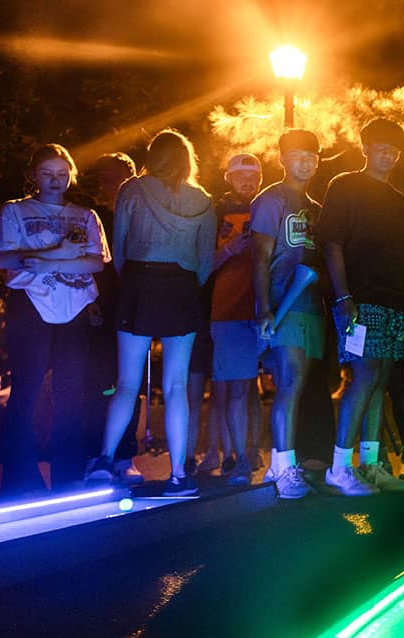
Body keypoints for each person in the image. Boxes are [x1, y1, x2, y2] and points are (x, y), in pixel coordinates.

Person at [85, 129, 216, 497]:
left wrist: (136, 279)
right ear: (187, 160)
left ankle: (105, 462)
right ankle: (178, 476)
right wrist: (184, 280)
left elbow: (120, 248)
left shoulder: (132, 190)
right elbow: (205, 262)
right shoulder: (203, 200)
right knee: (176, 386)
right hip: (183, 288)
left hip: (139, 284)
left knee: (126, 382)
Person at [0, 144, 110, 497]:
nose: (55, 180)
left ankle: (68, 476)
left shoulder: (85, 215)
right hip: (29, 306)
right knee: (25, 393)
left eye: (62, 173)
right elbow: (5, 258)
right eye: (47, 173)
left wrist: (45, 262)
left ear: (71, 174)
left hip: (73, 309)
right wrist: (56, 255)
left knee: (71, 395)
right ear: (34, 175)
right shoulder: (15, 211)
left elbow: (94, 262)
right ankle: (20, 480)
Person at [318, 118, 404, 495]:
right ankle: (340, 468)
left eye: (394, 148)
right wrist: (343, 298)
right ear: (365, 148)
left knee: (380, 380)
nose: (388, 154)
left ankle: (371, 464)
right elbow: (332, 244)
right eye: (381, 146)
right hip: (358, 300)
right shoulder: (344, 186)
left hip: (394, 303)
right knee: (363, 376)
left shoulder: (398, 200)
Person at [250, 131, 326, 499]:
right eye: (298, 155)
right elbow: (260, 257)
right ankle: (283, 467)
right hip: (283, 303)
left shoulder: (314, 205)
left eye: (312, 155)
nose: (306, 161)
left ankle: (281, 463)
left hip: (311, 306)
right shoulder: (271, 200)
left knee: (299, 386)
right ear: (282, 159)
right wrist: (264, 308)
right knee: (290, 382)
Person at [82, 152, 143, 486]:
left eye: (115, 176)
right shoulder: (95, 218)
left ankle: (124, 457)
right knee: (98, 386)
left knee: (130, 385)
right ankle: (96, 455)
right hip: (102, 311)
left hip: (134, 310)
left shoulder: (140, 218)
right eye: (104, 176)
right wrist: (90, 301)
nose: (109, 183)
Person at [208, 153, 264, 485]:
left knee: (257, 389)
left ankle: (253, 451)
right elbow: (202, 264)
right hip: (229, 310)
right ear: (228, 178)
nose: (247, 181)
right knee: (238, 389)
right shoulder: (215, 213)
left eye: (252, 175)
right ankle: (239, 457)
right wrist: (231, 250)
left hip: (269, 308)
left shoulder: (269, 207)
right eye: (240, 175)